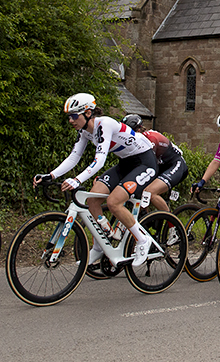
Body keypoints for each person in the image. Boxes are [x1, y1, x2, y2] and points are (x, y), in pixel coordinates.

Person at [33, 94, 158, 267]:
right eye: (69, 116)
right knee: (92, 199)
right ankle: (99, 247)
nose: (71, 120)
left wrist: (77, 179)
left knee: (114, 202)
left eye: (74, 116)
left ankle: (143, 240)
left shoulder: (104, 124)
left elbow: (100, 160)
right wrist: (51, 175)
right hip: (126, 163)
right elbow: (74, 157)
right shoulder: (84, 131)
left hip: (145, 162)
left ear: (88, 113)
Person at [121, 114, 188, 212]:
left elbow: (149, 166)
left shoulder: (151, 139)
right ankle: (143, 221)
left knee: (149, 193)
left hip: (175, 165)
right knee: (137, 192)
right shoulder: (134, 143)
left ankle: (173, 225)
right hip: (160, 167)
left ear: (138, 131)